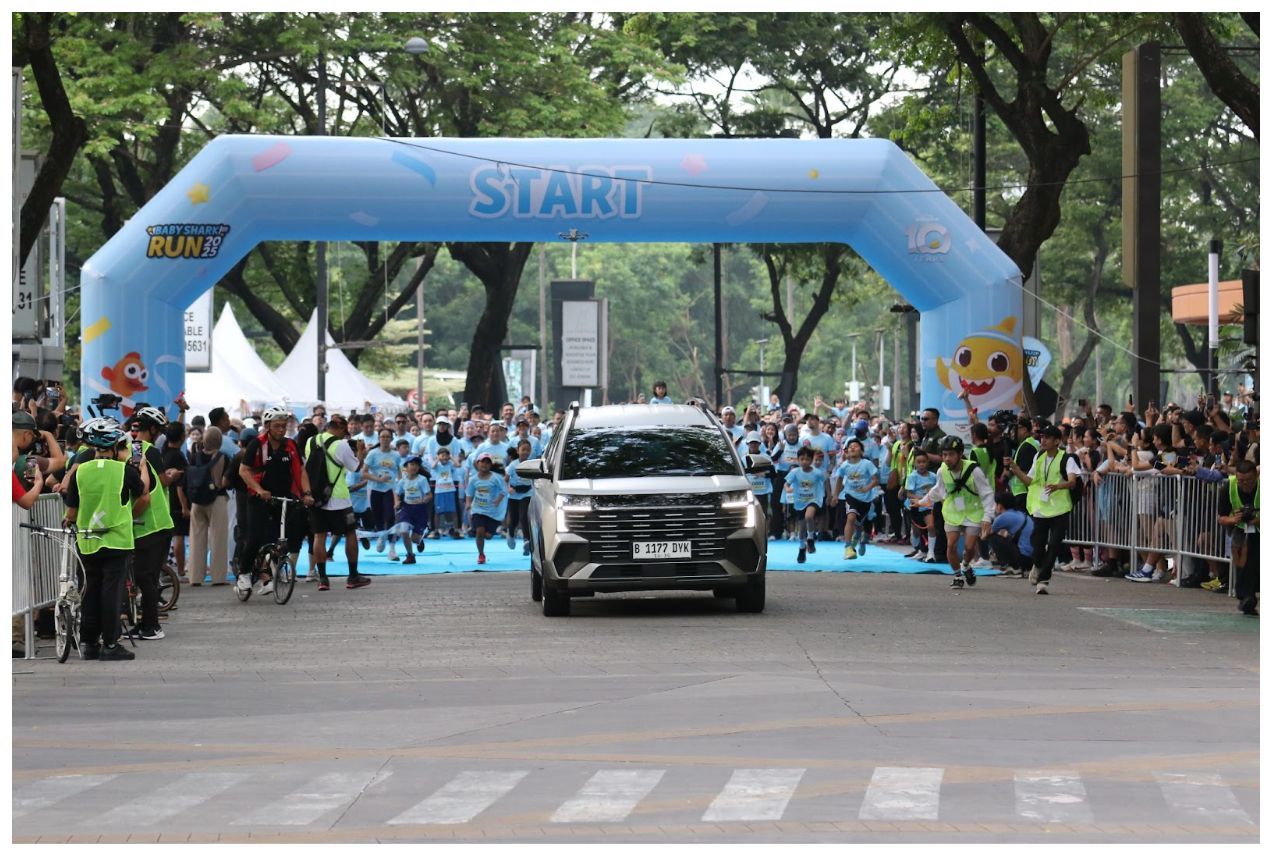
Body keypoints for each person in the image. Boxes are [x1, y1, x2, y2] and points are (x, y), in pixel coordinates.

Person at [63, 417, 150, 661]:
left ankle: (89, 643)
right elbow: (143, 492)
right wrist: (141, 466)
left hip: (88, 541)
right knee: (112, 593)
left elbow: (71, 512)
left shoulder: (80, 472)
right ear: (113, 447)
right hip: (117, 540)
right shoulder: (125, 470)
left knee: (89, 591)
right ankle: (110, 645)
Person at [238, 407, 312, 594]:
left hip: (283, 498)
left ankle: (266, 577)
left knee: (279, 540)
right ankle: (244, 574)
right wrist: (260, 490)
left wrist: (307, 493)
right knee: (254, 538)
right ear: (267, 426)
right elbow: (244, 471)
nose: (281, 430)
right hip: (259, 497)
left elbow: (301, 470)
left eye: (284, 426)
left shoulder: (291, 446)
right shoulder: (257, 445)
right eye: (277, 426)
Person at [1005, 425, 1081, 595]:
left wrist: (1058, 486)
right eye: (1041, 437)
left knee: (1053, 544)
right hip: (1040, 508)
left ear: (1057, 441)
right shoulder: (1038, 456)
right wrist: (1015, 469)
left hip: (1060, 509)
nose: (1043, 440)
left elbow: (1072, 482)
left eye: (1047, 437)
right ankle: (1038, 565)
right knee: (1037, 545)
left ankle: (1044, 580)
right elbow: (1030, 481)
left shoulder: (1067, 458)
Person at [128, 406, 180, 640]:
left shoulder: (134, 449)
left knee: (145, 577)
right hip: (153, 523)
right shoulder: (149, 450)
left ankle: (151, 625)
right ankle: (149, 625)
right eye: (157, 430)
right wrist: (172, 475)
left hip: (149, 524)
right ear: (152, 429)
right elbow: (162, 481)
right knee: (146, 577)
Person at [917, 437, 995, 589]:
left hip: (973, 512)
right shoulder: (942, 470)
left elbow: (987, 493)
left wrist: (988, 517)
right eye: (944, 454)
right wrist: (922, 501)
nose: (947, 458)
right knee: (951, 545)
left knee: (969, 547)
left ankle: (966, 566)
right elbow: (938, 491)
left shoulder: (974, 470)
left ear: (960, 454)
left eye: (951, 454)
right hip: (952, 512)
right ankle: (958, 575)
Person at [305, 414, 371, 589]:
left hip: (316, 497)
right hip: (339, 498)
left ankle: (323, 579)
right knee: (350, 533)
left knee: (319, 536)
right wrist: (360, 451)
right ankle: (353, 576)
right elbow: (355, 468)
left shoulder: (311, 441)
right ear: (341, 428)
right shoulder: (341, 445)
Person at [187, 426, 231, 587]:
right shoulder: (223, 457)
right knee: (218, 540)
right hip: (217, 499)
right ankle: (218, 577)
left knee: (196, 539)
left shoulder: (194, 456)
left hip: (196, 501)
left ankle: (195, 577)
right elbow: (226, 481)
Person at [1218, 459, 1259, 616]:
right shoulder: (1228, 488)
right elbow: (1220, 518)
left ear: (1256, 476)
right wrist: (1233, 520)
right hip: (1240, 529)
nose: (1245, 484)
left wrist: (1257, 519)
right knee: (1242, 562)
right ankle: (1246, 597)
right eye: (1241, 481)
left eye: (1248, 480)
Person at [834, 438, 878, 560]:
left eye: (856, 446)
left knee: (859, 524)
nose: (853, 448)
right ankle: (848, 548)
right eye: (850, 447)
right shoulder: (844, 466)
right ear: (847, 451)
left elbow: (875, 479)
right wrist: (835, 495)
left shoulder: (867, 464)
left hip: (865, 499)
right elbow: (838, 479)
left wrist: (867, 488)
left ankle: (858, 537)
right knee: (851, 517)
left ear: (862, 451)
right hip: (850, 496)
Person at [783, 447, 825, 565]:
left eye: (807, 459)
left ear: (811, 460)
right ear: (798, 460)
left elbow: (825, 482)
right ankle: (802, 548)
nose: (804, 462)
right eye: (802, 459)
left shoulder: (817, 472)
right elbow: (786, 484)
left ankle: (811, 538)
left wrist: (830, 495)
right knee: (801, 529)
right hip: (800, 501)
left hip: (814, 499)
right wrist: (788, 489)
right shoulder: (795, 472)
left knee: (809, 516)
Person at [364, 428, 402, 558]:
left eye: (387, 437)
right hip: (375, 489)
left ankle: (392, 549)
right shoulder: (373, 454)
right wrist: (378, 479)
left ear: (391, 439)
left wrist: (401, 488)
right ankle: (381, 535)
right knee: (378, 516)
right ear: (379, 439)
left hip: (390, 490)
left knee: (390, 516)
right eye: (382, 437)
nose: (385, 439)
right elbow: (364, 473)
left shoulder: (396, 455)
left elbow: (400, 473)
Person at [161, 422, 191, 585]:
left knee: (172, 536)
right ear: (182, 437)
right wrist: (185, 506)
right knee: (178, 535)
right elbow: (180, 485)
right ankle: (179, 570)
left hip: (166, 499)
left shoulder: (164, 451)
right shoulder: (178, 456)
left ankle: (166, 569)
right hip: (176, 500)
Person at [466, 453, 507, 565]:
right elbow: (469, 493)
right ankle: (481, 554)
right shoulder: (473, 479)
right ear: (477, 464)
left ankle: (488, 533)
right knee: (479, 531)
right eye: (482, 462)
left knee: (488, 536)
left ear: (491, 465)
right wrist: (468, 503)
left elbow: (504, 490)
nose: (484, 464)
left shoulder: (496, 478)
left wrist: (498, 500)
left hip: (492, 512)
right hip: (478, 510)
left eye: (487, 462)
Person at [394, 455, 433, 564]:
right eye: (411, 464)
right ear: (406, 467)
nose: (414, 467)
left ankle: (420, 540)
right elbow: (397, 493)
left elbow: (429, 495)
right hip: (407, 508)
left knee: (415, 539)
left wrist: (423, 500)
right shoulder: (402, 481)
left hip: (420, 509)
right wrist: (397, 502)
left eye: (416, 464)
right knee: (404, 531)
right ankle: (410, 555)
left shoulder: (422, 480)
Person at [989, 491, 1034, 577]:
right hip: (1032, 559)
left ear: (1000, 506)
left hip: (1023, 558)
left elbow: (986, 535)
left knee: (993, 538)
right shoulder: (1021, 513)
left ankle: (1013, 568)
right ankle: (1019, 568)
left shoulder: (1003, 517)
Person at [903, 449, 939, 561]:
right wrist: (921, 499)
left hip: (928, 506)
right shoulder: (912, 476)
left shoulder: (933, 476)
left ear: (927, 462)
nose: (921, 464)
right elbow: (909, 493)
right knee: (917, 531)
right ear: (914, 463)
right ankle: (920, 550)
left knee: (931, 526)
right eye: (919, 462)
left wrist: (929, 499)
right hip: (915, 506)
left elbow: (937, 490)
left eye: (924, 462)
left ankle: (931, 553)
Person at [505, 439, 535, 554]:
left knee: (524, 516)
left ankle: (527, 541)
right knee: (513, 519)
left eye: (528, 450)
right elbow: (505, 480)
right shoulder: (513, 465)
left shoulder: (531, 464)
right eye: (523, 450)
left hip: (527, 493)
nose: (525, 452)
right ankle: (511, 533)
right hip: (513, 494)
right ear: (518, 451)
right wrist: (508, 488)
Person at [430, 446, 462, 538]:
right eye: (442, 456)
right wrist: (437, 459)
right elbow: (432, 466)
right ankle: (436, 530)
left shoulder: (450, 464)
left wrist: (451, 457)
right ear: (438, 456)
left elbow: (458, 465)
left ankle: (456, 530)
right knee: (438, 512)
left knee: (453, 511)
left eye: (446, 456)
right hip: (439, 491)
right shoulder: (437, 465)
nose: (444, 458)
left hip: (450, 490)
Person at [742, 432, 773, 519]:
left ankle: (764, 532)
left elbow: (773, 474)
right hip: (750, 492)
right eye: (751, 443)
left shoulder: (766, 457)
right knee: (750, 516)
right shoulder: (743, 459)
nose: (753, 445)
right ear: (747, 444)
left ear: (759, 443)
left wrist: (763, 474)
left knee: (763, 515)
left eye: (755, 442)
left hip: (763, 492)